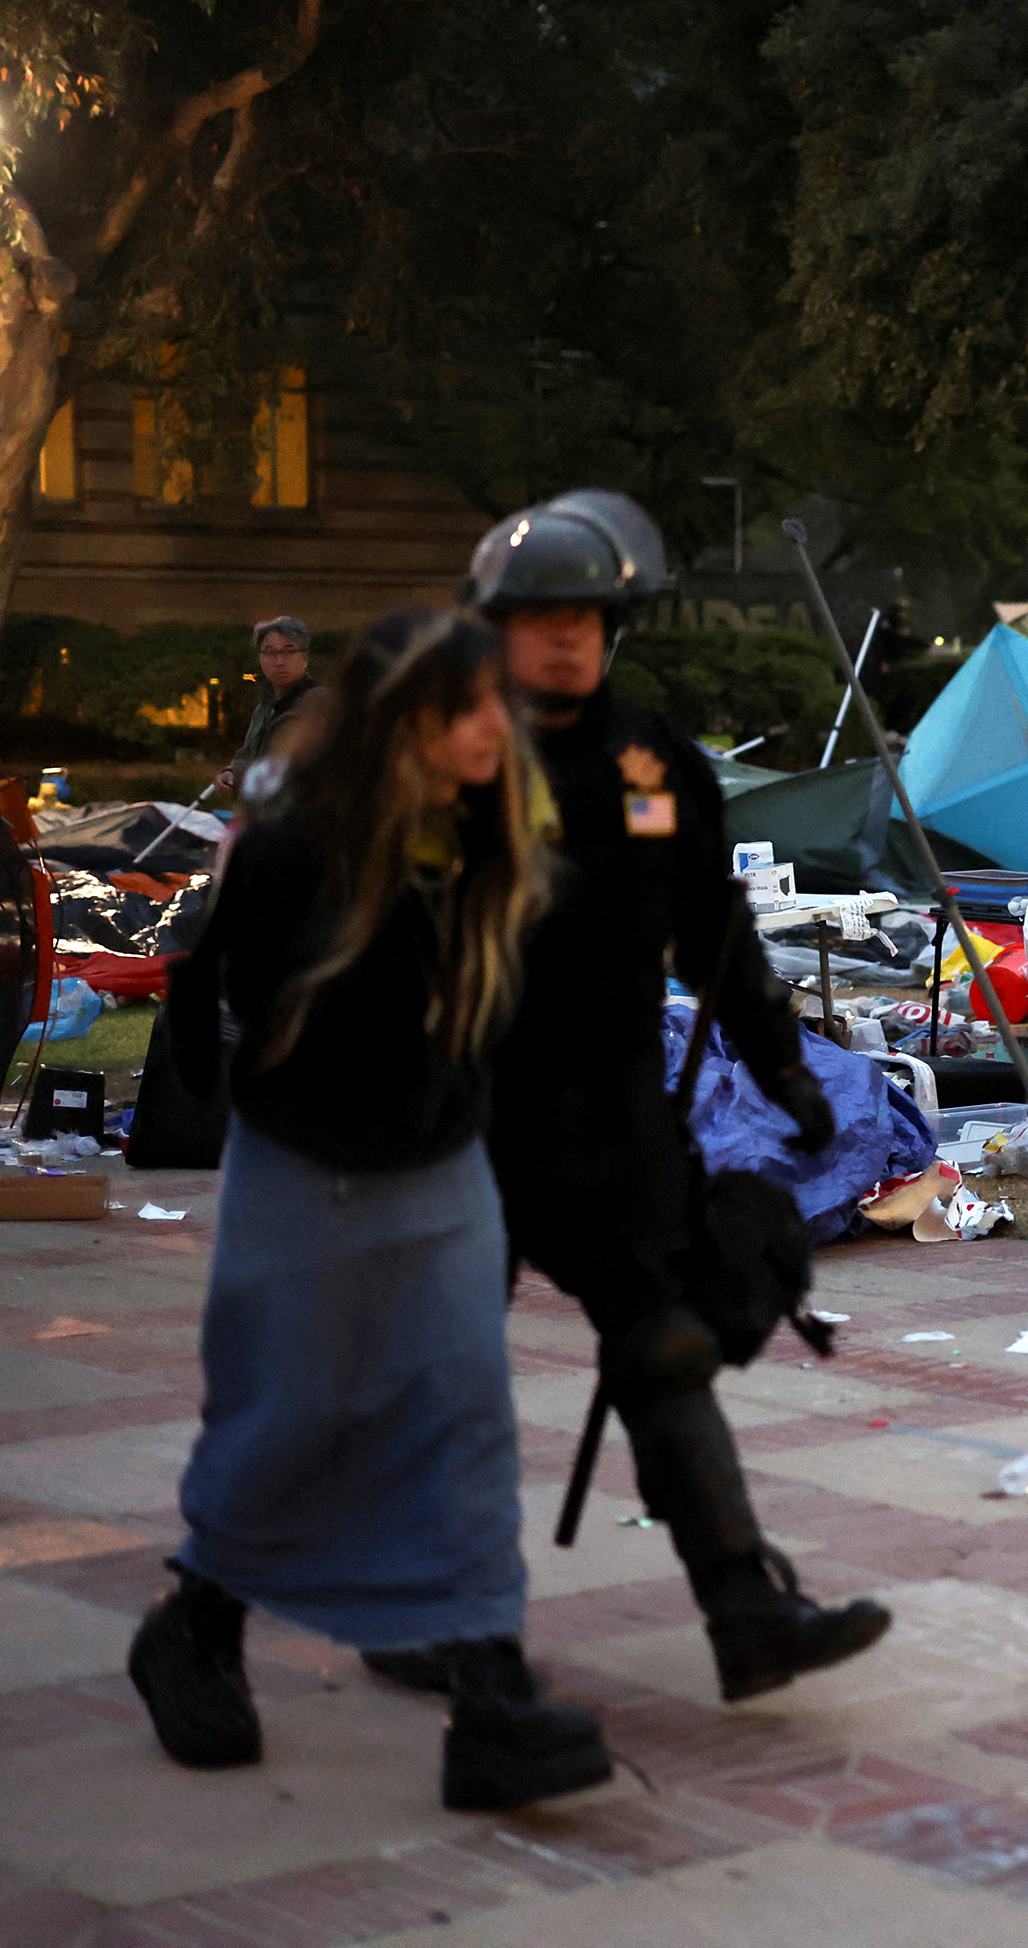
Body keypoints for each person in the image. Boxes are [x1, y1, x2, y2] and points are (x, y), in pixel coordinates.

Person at [138, 607, 610, 1811]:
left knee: (463, 1411)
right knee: (293, 1411)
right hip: (306, 1162)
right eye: (472, 710)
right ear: (409, 722)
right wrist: (235, 1090)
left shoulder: (497, 825)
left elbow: (518, 999)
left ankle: (490, 1696)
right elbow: (204, 976)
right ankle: (194, 1627)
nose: (498, 728)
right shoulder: (299, 839)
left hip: (443, 1160)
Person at [423, 489, 885, 1705]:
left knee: (666, 1346)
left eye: (587, 613)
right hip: (462, 1118)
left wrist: (784, 1066)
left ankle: (746, 1609)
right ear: (497, 626)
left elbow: (715, 934)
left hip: (611, 1121)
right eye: (539, 616)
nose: (566, 636)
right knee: (431, 1374)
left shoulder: (659, 764)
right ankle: (409, 1626)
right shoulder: (456, 756)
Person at [214, 616, 324, 795]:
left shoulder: (316, 703)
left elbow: (284, 766)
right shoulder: (265, 706)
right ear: (261, 658)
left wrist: (241, 777)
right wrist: (230, 772)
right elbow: (248, 753)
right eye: (270, 652)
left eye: (289, 651)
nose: (279, 661)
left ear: (305, 657)